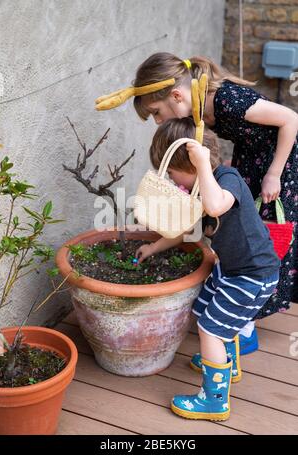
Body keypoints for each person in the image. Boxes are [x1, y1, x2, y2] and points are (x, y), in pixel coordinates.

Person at [131, 52, 298, 355]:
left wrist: (274, 174)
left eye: (156, 112)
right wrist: (155, 246)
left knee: (272, 234)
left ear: (177, 95)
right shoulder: (198, 112)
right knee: (244, 227)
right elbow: (191, 224)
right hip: (253, 162)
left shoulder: (224, 102)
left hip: (280, 166)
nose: (157, 120)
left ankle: (243, 325)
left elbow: (290, 119)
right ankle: (236, 317)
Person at [136, 117, 280, 421]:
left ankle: (214, 401)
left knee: (210, 329)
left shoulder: (227, 179)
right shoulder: (198, 190)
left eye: (174, 174)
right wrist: (154, 246)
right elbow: (184, 228)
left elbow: (216, 207)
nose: (174, 183)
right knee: (203, 310)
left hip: (253, 276)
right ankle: (229, 364)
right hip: (231, 270)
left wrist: (201, 163)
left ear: (192, 165)